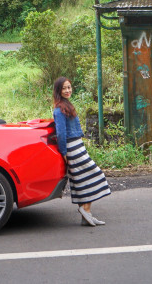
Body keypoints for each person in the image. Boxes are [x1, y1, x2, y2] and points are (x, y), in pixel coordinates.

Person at [52, 76, 111, 226]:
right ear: (58, 90)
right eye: (64, 88)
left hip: (77, 146)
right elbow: (61, 133)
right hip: (73, 148)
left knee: (80, 180)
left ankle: (87, 215)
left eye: (69, 87)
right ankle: (85, 211)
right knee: (94, 173)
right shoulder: (59, 110)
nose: (67, 90)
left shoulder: (66, 105)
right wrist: (64, 152)